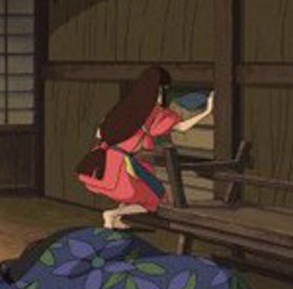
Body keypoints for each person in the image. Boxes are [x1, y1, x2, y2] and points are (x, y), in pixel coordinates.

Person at [75, 66, 213, 229]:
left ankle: (116, 220)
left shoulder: (123, 108)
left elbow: (100, 133)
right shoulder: (155, 112)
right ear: (158, 90)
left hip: (107, 161)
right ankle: (112, 214)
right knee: (154, 200)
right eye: (163, 90)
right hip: (125, 165)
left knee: (133, 193)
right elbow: (182, 127)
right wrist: (207, 111)